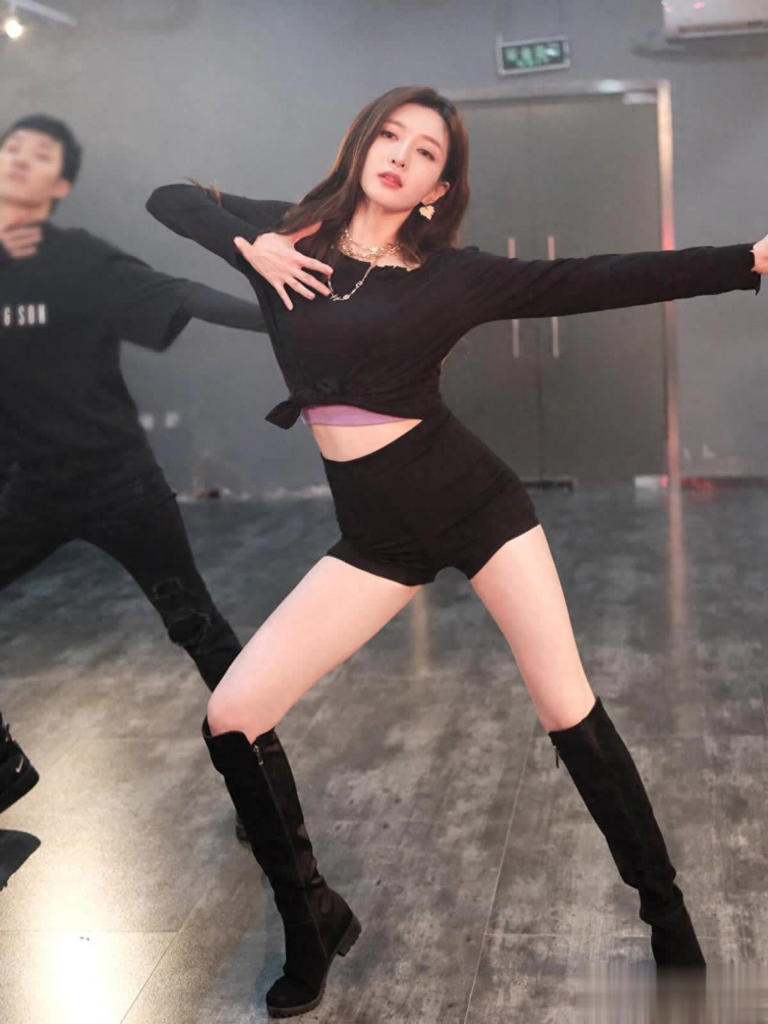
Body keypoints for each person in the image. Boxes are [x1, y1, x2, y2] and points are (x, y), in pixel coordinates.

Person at [147, 84, 765, 1018]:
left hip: (474, 505)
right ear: (363, 144)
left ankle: (669, 922)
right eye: (390, 136)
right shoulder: (291, 231)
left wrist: (748, 261)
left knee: (566, 708)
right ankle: (313, 916)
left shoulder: (452, 276)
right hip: (376, 535)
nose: (401, 156)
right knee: (232, 716)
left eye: (426, 151)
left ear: (439, 187)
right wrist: (250, 246)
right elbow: (168, 197)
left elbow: (594, 279)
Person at [0, 114, 268, 830]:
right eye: (11, 149)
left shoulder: (78, 260)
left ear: (59, 185)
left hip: (120, 486)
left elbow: (180, 294)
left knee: (199, 630)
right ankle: (3, 768)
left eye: (40, 155)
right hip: (32, 488)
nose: (20, 161)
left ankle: (263, 792)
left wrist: (282, 321)